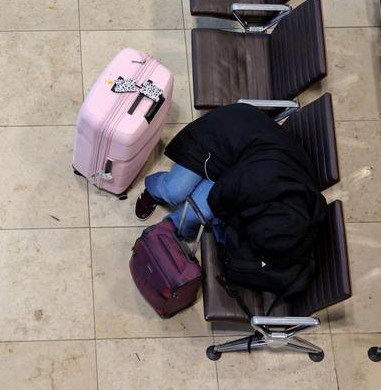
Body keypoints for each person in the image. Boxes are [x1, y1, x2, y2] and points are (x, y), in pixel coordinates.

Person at [136, 102, 328, 296]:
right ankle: (154, 189)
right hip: (227, 133)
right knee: (176, 192)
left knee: (200, 212)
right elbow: (219, 197)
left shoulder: (309, 209)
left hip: (252, 158)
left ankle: (173, 229)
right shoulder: (257, 184)